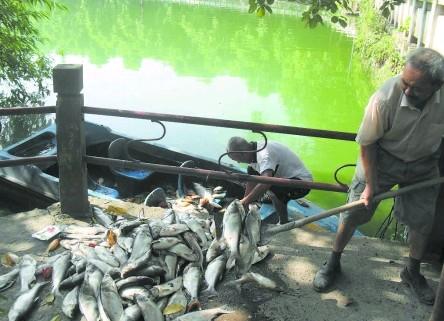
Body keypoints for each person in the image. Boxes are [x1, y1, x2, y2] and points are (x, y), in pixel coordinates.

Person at [312, 48, 444, 306]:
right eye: (404, 83)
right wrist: (370, 186)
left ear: (437, 86)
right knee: (353, 213)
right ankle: (333, 261)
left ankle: (411, 271)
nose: (407, 91)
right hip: (381, 158)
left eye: (415, 88)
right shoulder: (385, 98)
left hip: (423, 162)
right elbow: (367, 144)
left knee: (423, 220)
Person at [226, 136, 313, 224]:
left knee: (272, 190)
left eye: (238, 159)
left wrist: (245, 201)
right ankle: (273, 199)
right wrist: (245, 201)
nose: (238, 162)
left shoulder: (264, 155)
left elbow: (266, 182)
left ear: (244, 153)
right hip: (284, 177)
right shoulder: (253, 149)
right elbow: (252, 179)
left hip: (301, 184)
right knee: (251, 171)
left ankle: (283, 221)